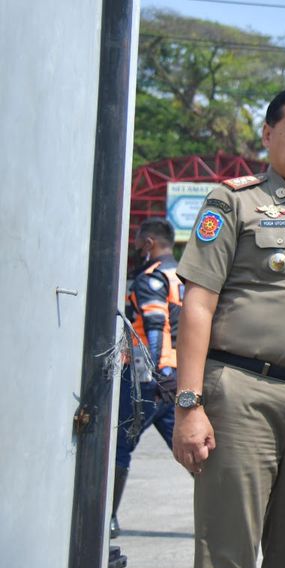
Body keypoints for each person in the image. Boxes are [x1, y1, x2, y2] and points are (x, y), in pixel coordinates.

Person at [172, 86, 285, 568]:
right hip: (242, 393)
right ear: (268, 136)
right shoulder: (235, 201)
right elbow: (197, 305)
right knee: (228, 553)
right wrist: (188, 404)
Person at [112, 217, 182, 537]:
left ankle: (107, 518)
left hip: (147, 378)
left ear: (150, 243)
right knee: (191, 451)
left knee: (119, 446)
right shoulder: (183, 275)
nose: (137, 250)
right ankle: (228, 518)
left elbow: (155, 327)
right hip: (178, 377)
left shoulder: (151, 279)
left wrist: (153, 374)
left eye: (139, 244)